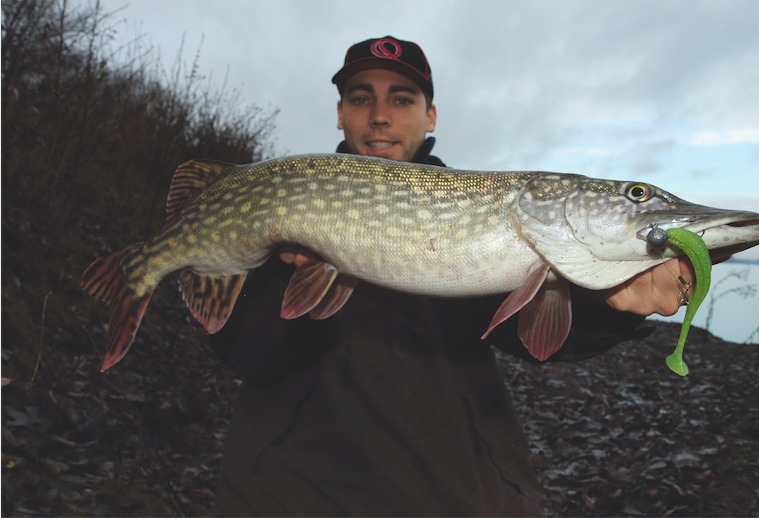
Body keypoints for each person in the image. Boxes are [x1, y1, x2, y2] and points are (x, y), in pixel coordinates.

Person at [213, 36, 695, 516]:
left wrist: (603, 300)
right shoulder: (285, 197)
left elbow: (536, 339)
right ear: (340, 114)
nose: (380, 115)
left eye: (402, 99)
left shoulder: (485, 214)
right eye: (361, 98)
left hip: (449, 493)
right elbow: (250, 357)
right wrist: (282, 272)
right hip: (290, 493)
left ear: (431, 116)